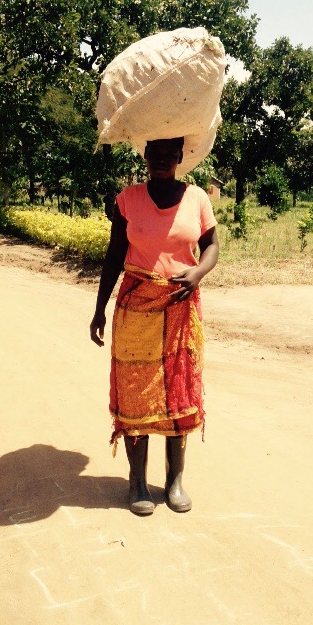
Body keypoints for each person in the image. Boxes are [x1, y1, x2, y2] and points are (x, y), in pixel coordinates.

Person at [90, 137, 219, 516]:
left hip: (180, 307)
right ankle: (138, 483)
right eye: (155, 154)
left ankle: (175, 481)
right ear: (145, 157)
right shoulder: (127, 199)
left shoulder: (197, 198)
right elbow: (114, 254)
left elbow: (212, 245)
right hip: (136, 306)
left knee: (179, 393)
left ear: (181, 158)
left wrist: (197, 272)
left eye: (170, 155)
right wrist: (99, 309)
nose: (162, 160)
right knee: (136, 395)